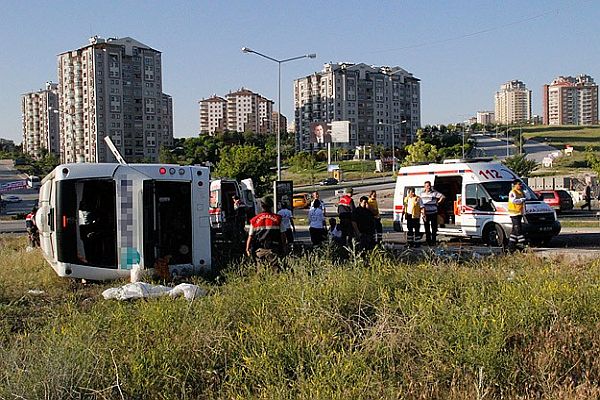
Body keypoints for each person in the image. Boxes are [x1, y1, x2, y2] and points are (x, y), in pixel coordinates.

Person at [246, 197, 285, 264]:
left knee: (261, 272)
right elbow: (283, 236)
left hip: (259, 251)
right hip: (274, 250)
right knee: (275, 272)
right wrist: (283, 248)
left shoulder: (254, 220)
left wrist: (247, 249)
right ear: (271, 206)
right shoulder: (278, 219)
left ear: (261, 206)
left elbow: (250, 236)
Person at [421, 181, 445, 245]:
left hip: (433, 213)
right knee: (427, 228)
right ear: (424, 187)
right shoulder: (422, 194)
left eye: (429, 186)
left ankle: (433, 241)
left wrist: (438, 202)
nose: (428, 187)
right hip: (425, 214)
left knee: (434, 228)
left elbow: (443, 196)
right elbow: (420, 203)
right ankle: (428, 241)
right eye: (427, 186)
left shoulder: (434, 193)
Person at [507, 180, 526, 252]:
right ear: (514, 185)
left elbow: (526, 199)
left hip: (519, 213)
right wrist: (521, 200)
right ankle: (522, 243)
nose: (520, 186)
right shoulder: (512, 192)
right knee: (518, 229)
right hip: (514, 213)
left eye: (521, 184)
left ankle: (511, 245)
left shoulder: (520, 192)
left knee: (514, 231)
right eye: (519, 184)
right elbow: (513, 201)